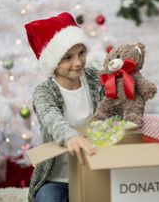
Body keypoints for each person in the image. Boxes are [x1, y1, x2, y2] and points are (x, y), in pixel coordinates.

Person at [24, 12, 103, 202]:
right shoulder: (44, 91)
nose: (78, 62)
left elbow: (116, 99)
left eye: (81, 53)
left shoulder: (94, 78)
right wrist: (70, 137)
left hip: (94, 168)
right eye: (67, 57)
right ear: (53, 61)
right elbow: (50, 116)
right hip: (57, 179)